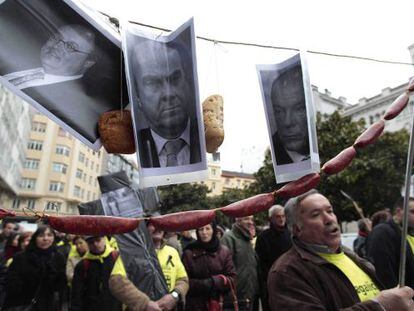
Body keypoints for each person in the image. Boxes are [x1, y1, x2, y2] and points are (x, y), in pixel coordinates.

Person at [268, 190, 414, 310]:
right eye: (316, 214)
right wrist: (379, 306)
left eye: (330, 211)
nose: (329, 219)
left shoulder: (352, 257)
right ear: (296, 229)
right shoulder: (287, 272)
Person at [131, 40, 201, 168]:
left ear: (188, 84)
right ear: (137, 97)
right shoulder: (133, 146)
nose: (168, 94)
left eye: (175, 79)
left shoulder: (206, 138)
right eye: (152, 83)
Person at [4, 24, 96, 90]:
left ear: (87, 63)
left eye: (70, 46)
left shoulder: (69, 105)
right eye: (56, 38)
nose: (57, 45)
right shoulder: (17, 56)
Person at [3, 225, 67, 311]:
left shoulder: (58, 257)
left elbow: (60, 286)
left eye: (49, 235)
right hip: (22, 303)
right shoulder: (21, 257)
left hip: (48, 305)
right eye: (41, 235)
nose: (45, 238)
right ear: (35, 238)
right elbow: (10, 282)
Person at [182, 222, 237, 311]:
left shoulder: (224, 251)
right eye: (201, 229)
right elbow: (184, 281)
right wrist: (205, 284)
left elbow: (232, 278)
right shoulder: (189, 253)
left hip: (220, 303)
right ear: (197, 232)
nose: (204, 232)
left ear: (213, 230)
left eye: (208, 229)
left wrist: (215, 281)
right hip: (195, 305)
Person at [367, 198, 414, 289]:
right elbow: (384, 273)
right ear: (399, 211)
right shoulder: (382, 233)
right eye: (413, 211)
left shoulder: (406, 233)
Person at [71, 235, 123, 311]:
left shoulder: (117, 257)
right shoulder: (82, 265)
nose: (95, 244)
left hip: (116, 306)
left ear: (104, 239)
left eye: (98, 240)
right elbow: (77, 294)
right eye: (91, 242)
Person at [270, 64, 310, 164]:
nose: (287, 122)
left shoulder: (330, 147)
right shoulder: (273, 156)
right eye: (279, 111)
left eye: (299, 109)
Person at [255, 205, 292, 311]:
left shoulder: (291, 234)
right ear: (271, 219)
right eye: (278, 216)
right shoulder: (263, 237)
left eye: (283, 216)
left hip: (291, 280)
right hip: (271, 283)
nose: (281, 219)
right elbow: (261, 263)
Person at [147, 222, 189, 310]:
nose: (157, 228)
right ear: (145, 227)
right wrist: (143, 303)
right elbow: (118, 282)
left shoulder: (172, 252)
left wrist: (174, 295)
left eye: (160, 224)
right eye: (153, 224)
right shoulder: (134, 252)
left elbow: (183, 280)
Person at [221, 216, 259, 311]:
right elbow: (224, 268)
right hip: (236, 297)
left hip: (249, 295)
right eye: (246, 219)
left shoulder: (247, 238)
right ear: (237, 220)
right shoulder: (229, 238)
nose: (250, 222)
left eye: (252, 219)